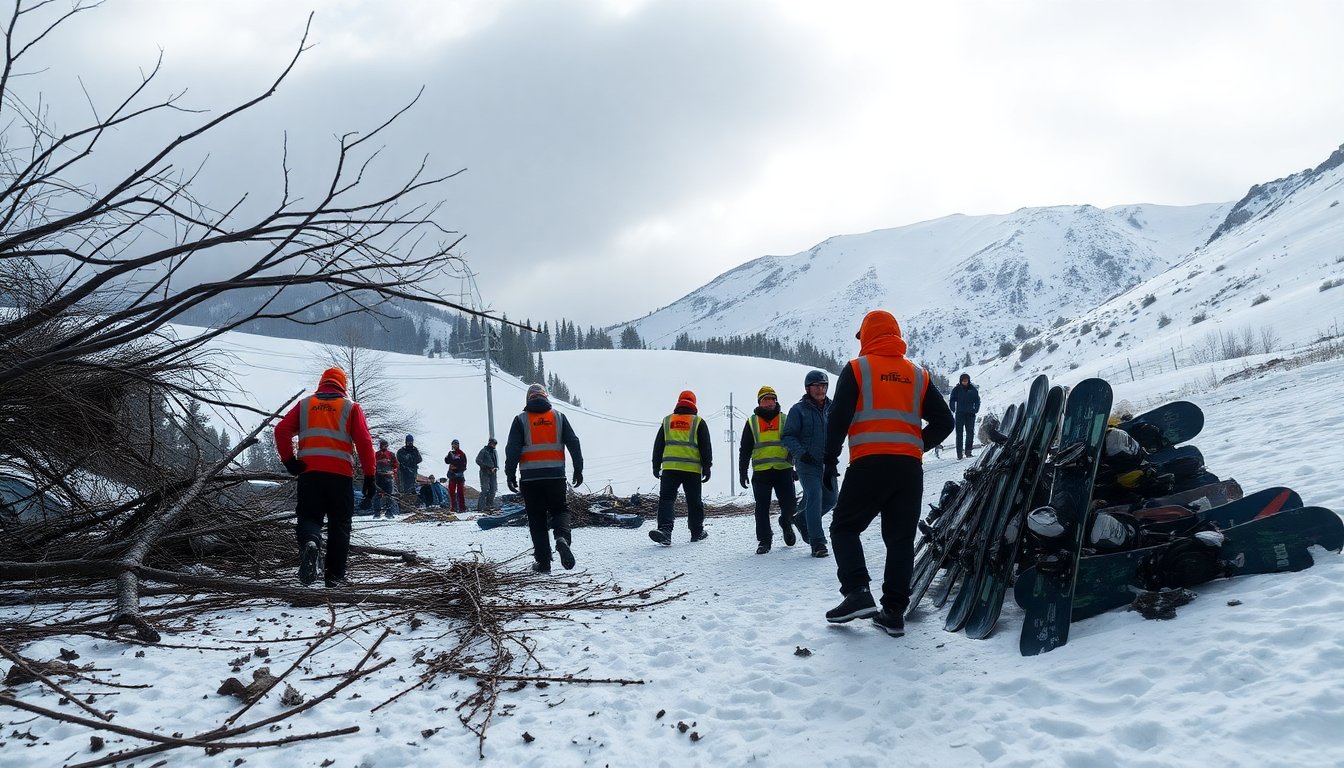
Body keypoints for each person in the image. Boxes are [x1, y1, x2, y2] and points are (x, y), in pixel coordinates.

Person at [822, 310, 953, 637]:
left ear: (867, 335)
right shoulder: (918, 375)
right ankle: (894, 612)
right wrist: (915, 445)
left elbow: (838, 418)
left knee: (844, 527)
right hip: (908, 469)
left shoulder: (858, 369)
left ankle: (857, 592)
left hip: (868, 463)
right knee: (899, 539)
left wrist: (828, 460)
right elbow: (946, 422)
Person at [273, 367, 375, 588]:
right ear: (343, 385)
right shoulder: (351, 407)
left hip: (310, 475)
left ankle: (311, 541)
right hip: (340, 477)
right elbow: (365, 443)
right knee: (340, 524)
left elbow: (281, 430)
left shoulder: (305, 405)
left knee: (309, 518)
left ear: (322, 383)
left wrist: (290, 462)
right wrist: (369, 476)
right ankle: (334, 578)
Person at [504, 384, 584, 573]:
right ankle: (561, 538)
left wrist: (510, 473)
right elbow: (573, 442)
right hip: (555, 476)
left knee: (537, 519)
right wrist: (578, 469)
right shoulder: (558, 417)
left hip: (530, 479)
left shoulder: (520, 420)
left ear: (528, 399)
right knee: (560, 510)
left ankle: (544, 562)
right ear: (546, 397)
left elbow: (512, 449)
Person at [781, 370, 837, 558]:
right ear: (808, 388)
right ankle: (818, 543)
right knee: (815, 495)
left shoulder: (833, 407)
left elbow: (840, 430)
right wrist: (801, 453)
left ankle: (802, 519)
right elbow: (787, 435)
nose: (821, 389)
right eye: (817, 385)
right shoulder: (799, 410)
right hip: (807, 463)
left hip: (827, 463)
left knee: (832, 500)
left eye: (824, 385)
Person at [739, 385, 799, 554]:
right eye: (766, 399)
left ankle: (786, 524)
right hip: (761, 472)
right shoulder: (752, 422)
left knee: (790, 506)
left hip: (784, 470)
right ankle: (764, 541)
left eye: (772, 399)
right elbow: (745, 448)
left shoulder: (785, 419)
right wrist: (742, 471)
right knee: (762, 508)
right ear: (759, 402)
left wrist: (795, 466)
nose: (769, 402)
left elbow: (794, 443)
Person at [649, 390, 713, 545]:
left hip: (670, 468)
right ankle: (697, 532)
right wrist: (707, 467)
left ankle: (665, 531)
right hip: (692, 469)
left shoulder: (667, 421)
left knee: (666, 499)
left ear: (679, 402)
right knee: (694, 501)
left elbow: (658, 445)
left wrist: (655, 465)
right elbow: (706, 447)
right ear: (694, 403)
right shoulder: (698, 422)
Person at [948, 373, 980, 459]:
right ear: (961, 381)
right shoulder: (956, 389)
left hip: (970, 414)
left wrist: (976, 409)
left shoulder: (973, 390)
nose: (965, 382)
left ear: (968, 381)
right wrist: (953, 408)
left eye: (966, 380)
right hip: (960, 414)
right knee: (959, 434)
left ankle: (968, 452)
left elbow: (977, 400)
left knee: (970, 433)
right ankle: (959, 454)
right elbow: (952, 399)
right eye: (963, 381)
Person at [372, 438, 399, 519]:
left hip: (389, 478)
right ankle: (377, 513)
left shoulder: (391, 454)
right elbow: (373, 465)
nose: (383, 447)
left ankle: (389, 513)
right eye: (382, 445)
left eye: (385, 445)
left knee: (389, 496)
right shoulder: (376, 455)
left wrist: (394, 470)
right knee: (377, 495)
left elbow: (396, 465)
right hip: (379, 477)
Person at [444, 439, 468, 513]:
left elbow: (464, 465)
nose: (455, 446)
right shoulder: (450, 453)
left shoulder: (462, 454)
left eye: (456, 444)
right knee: (451, 492)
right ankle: (453, 507)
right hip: (452, 475)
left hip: (460, 475)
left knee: (460, 492)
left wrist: (457, 467)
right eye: (453, 444)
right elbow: (447, 461)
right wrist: (447, 457)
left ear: (458, 445)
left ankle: (462, 508)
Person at [475, 437, 500, 511]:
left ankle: (489, 505)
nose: (494, 445)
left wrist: (496, 468)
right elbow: (478, 460)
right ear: (489, 443)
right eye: (493, 443)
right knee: (485, 489)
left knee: (493, 489)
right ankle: (481, 508)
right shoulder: (483, 451)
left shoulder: (494, 452)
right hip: (484, 472)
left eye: (495, 444)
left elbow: (495, 462)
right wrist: (486, 468)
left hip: (493, 472)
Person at [396, 434, 422, 504]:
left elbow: (419, 459)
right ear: (406, 441)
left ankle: (413, 503)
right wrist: (406, 458)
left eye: (411, 441)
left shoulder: (415, 450)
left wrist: (411, 458)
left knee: (412, 487)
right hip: (404, 472)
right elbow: (399, 459)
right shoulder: (402, 450)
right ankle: (404, 503)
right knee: (404, 487)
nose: (410, 443)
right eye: (408, 441)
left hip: (413, 472)